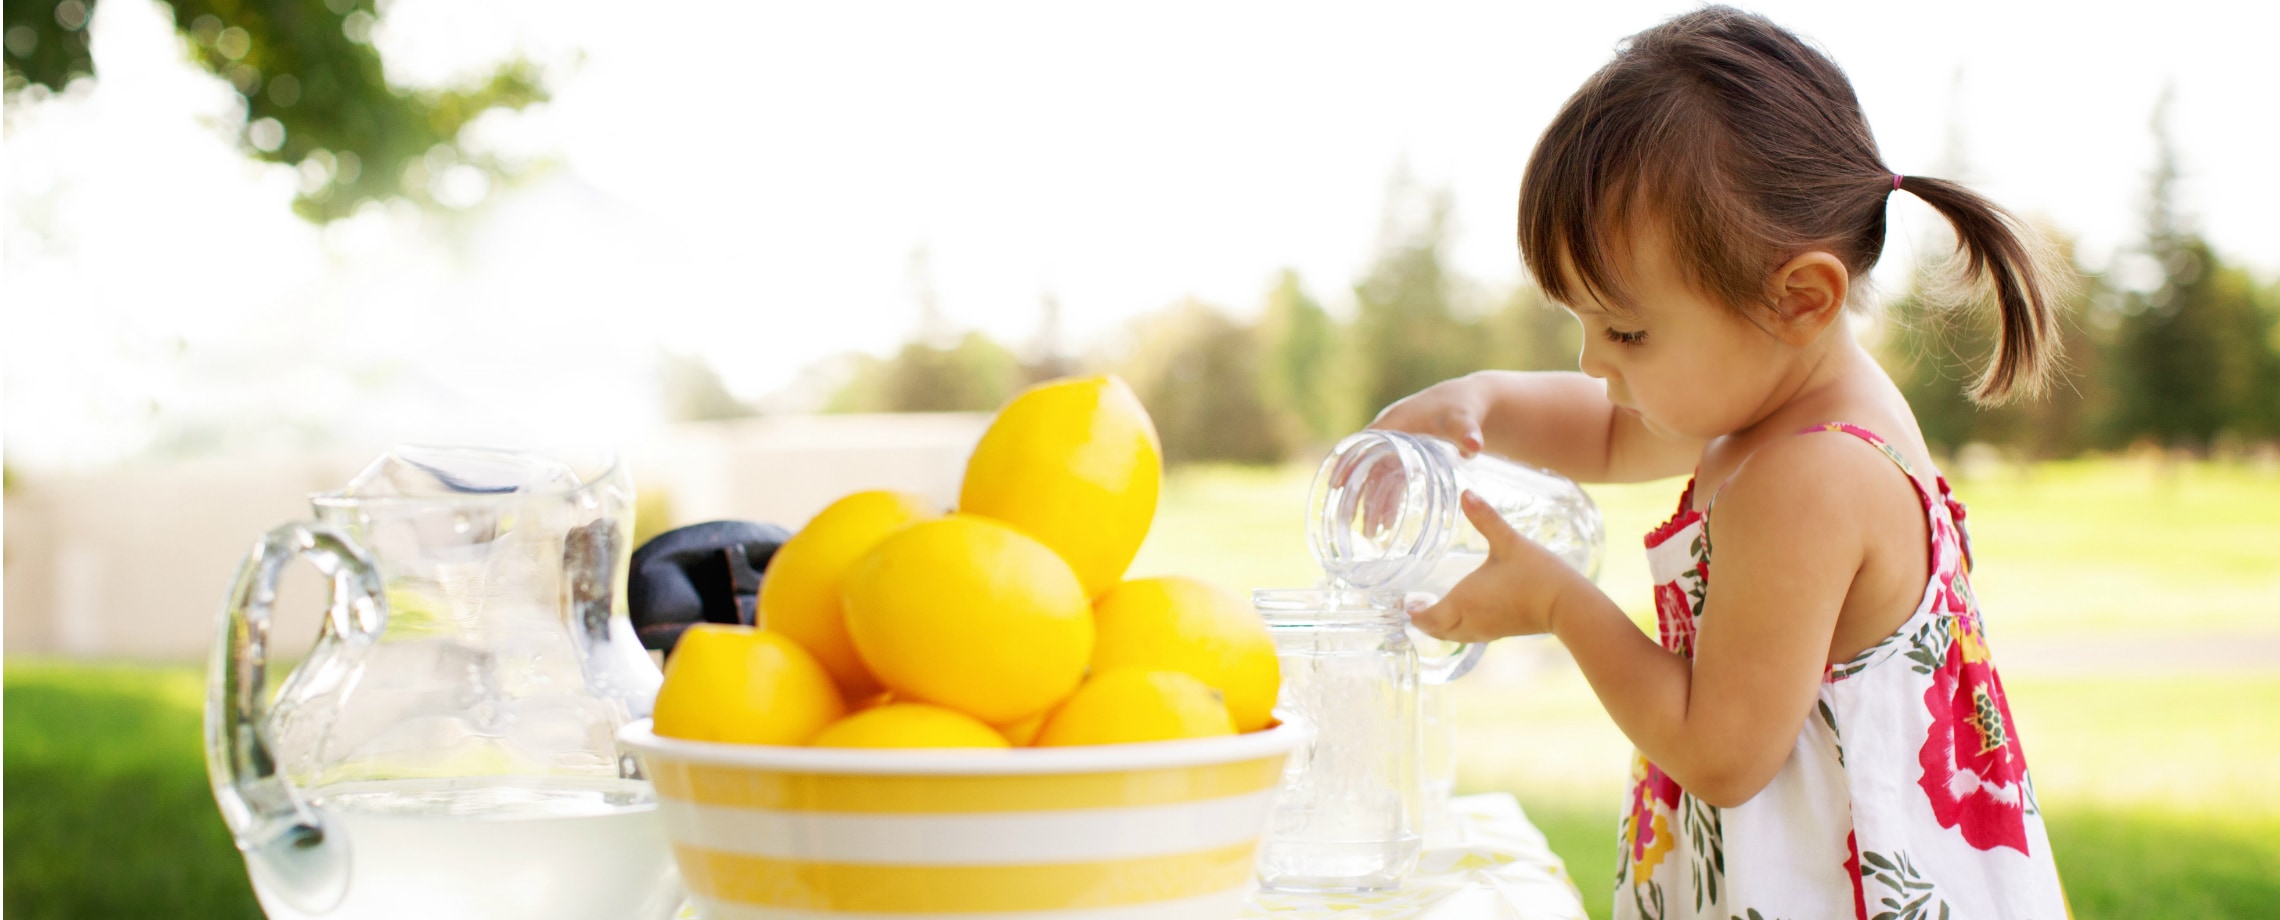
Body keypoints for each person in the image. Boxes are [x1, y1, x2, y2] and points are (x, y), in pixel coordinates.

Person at [1380, 7, 2070, 918]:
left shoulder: (1811, 476)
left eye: (1624, 329)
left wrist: (1556, 601)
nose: (1594, 361)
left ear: (1800, 298)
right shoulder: (1762, 398)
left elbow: (1722, 752)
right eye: (1581, 324)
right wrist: (1487, 404)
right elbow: (1614, 432)